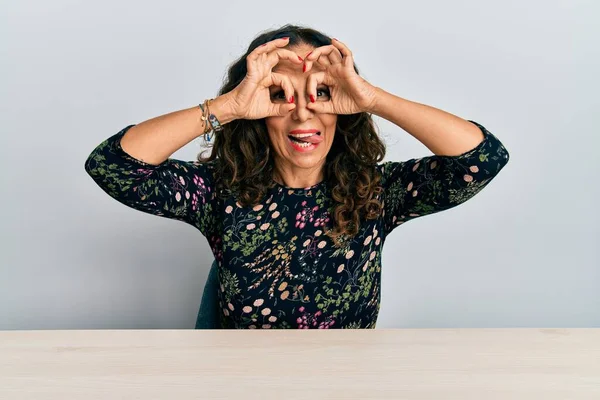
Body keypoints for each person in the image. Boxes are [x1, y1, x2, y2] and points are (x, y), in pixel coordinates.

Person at [84, 24, 510, 329]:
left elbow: (483, 157)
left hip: (344, 387)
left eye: (321, 93)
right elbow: (113, 166)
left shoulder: (376, 192)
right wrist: (228, 106)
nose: (303, 112)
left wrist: (373, 98)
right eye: (279, 95)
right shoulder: (219, 192)